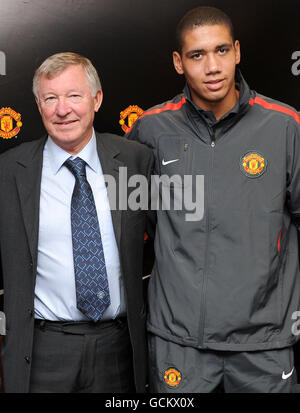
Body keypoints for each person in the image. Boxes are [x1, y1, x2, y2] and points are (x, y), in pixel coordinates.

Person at [127, 6, 300, 393]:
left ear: (237, 51)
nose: (212, 66)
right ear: (178, 62)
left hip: (265, 342)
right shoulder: (151, 129)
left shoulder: (286, 126)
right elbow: (137, 228)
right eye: (197, 55)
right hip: (179, 341)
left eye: (221, 50)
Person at [0, 52, 154, 393]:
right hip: (43, 350)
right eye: (50, 98)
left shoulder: (133, 161)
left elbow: (165, 244)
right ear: (38, 105)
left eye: (74, 95)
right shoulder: (10, 171)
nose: (62, 109)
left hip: (119, 347)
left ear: (96, 100)